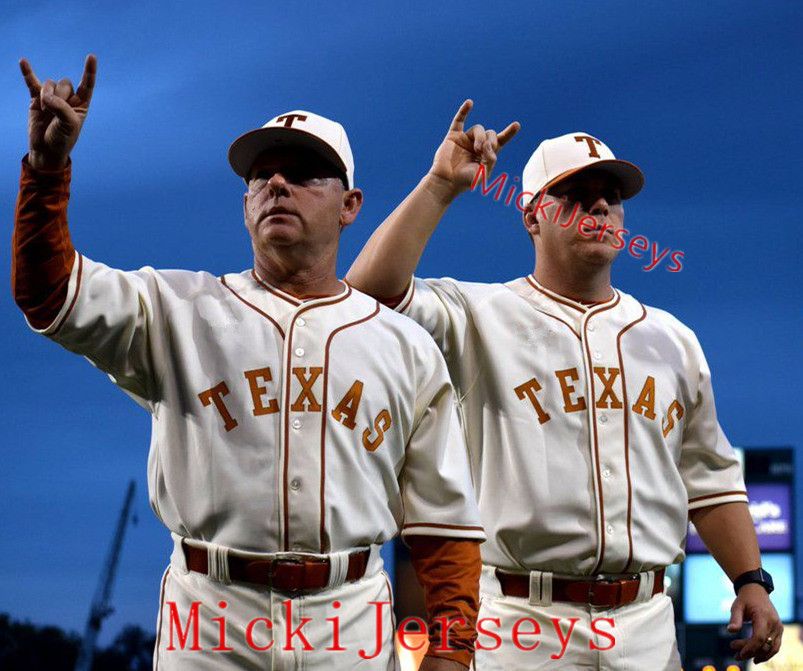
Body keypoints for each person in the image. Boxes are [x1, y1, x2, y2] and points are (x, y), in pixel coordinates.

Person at [13, 55, 486, 671]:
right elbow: (49, 292)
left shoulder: (406, 346)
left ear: (350, 206)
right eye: (262, 176)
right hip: (208, 619)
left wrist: (451, 654)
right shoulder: (175, 309)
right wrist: (47, 171)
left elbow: (444, 522)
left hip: (349, 619)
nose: (278, 185)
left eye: (305, 173)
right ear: (245, 206)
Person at [347, 100, 783, 668]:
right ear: (532, 215)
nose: (599, 205)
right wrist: (439, 185)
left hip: (647, 624)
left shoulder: (672, 339)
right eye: (576, 194)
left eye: (612, 197)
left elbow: (708, 479)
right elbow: (367, 293)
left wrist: (751, 579)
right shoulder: (479, 314)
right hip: (523, 623)